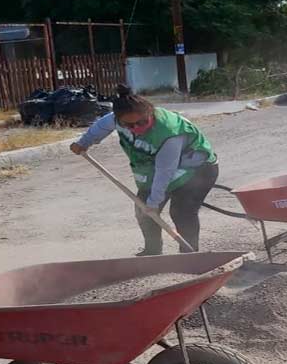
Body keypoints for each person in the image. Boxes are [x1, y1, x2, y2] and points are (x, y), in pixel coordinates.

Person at [70, 87, 218, 255]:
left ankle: (189, 255)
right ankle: (152, 252)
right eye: (129, 125)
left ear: (150, 113)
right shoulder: (117, 119)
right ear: (119, 120)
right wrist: (84, 142)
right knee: (143, 211)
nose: (136, 128)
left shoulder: (168, 132)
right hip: (157, 171)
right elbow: (101, 126)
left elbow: (165, 172)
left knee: (181, 212)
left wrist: (153, 203)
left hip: (196, 169)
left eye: (141, 123)